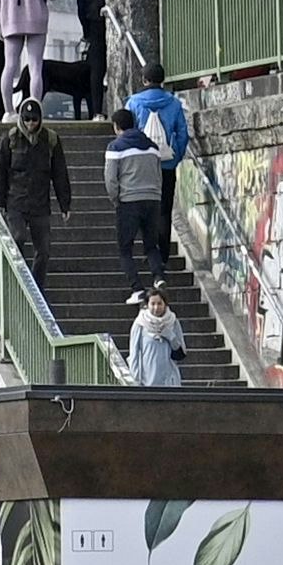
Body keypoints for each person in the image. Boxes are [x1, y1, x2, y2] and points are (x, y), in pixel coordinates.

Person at [0, 100, 74, 284]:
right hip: (16, 201)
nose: (30, 124)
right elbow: (1, 172)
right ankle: (14, 279)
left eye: (34, 119)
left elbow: (59, 173)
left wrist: (64, 204)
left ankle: (36, 286)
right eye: (26, 119)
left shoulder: (50, 140)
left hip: (40, 204)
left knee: (43, 250)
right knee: (17, 237)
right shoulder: (10, 139)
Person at [106, 109, 172, 304]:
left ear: (117, 127)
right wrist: (157, 195)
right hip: (152, 200)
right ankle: (158, 277)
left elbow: (110, 178)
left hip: (128, 201)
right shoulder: (152, 147)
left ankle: (137, 289)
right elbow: (159, 174)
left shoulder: (115, 147)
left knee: (125, 248)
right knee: (151, 245)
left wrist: (115, 199)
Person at [124, 64, 191, 253]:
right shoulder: (174, 103)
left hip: (142, 165)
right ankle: (162, 255)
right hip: (166, 163)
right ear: (162, 80)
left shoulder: (134, 103)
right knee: (164, 209)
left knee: (144, 207)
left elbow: (128, 133)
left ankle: (149, 250)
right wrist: (175, 155)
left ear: (144, 80)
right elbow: (183, 134)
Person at [127, 288, 186, 388]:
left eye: (159, 303)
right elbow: (134, 354)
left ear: (165, 304)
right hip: (147, 380)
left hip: (169, 381)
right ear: (147, 305)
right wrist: (136, 380)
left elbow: (180, 353)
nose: (156, 307)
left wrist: (170, 336)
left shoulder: (173, 322)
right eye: (153, 304)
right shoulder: (140, 324)